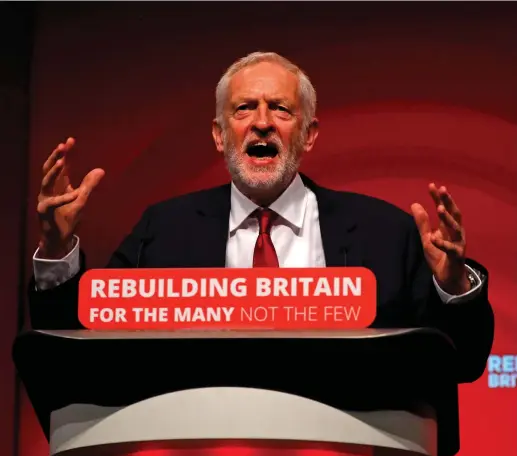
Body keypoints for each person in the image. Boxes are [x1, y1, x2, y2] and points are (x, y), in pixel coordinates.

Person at [29, 52, 493, 382]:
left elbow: (463, 362)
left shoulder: (385, 233)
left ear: (309, 136)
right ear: (218, 134)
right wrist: (56, 254)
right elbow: (80, 350)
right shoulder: (164, 230)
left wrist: (453, 288)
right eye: (245, 108)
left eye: (281, 109)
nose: (263, 121)